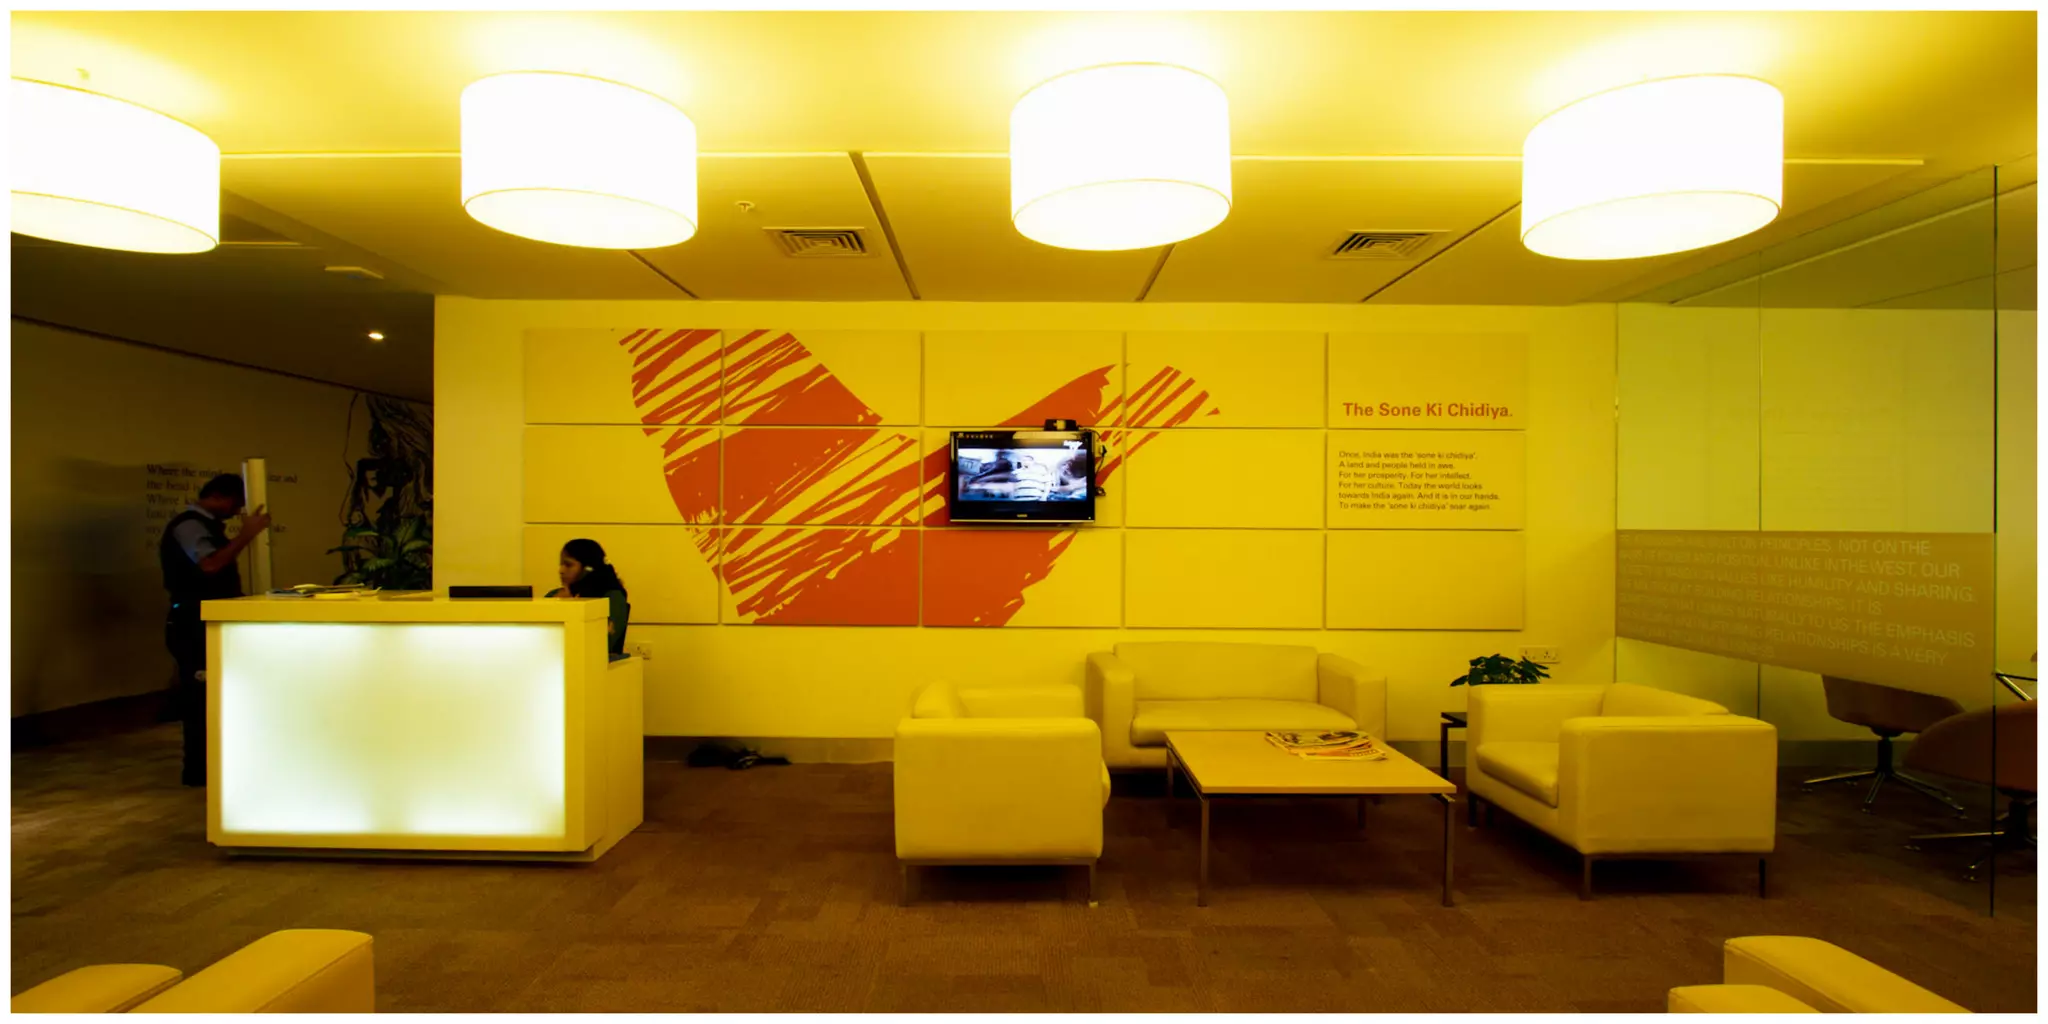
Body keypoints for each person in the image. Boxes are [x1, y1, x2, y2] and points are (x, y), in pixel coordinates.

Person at [160, 473, 270, 787]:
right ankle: (199, 770)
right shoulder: (189, 525)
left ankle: (219, 764)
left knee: (218, 695)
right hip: (192, 623)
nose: (237, 512)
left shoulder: (206, 525)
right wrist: (246, 536)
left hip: (208, 620)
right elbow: (209, 565)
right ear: (219, 496)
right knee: (200, 699)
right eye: (235, 504)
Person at [547, 538, 631, 661]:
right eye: (561, 564)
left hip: (588, 663)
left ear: (587, 569)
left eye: (568, 565)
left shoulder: (612, 598)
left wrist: (572, 605)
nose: (561, 570)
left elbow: (601, 643)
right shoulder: (554, 595)